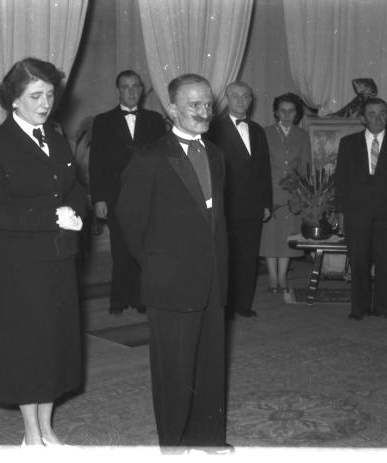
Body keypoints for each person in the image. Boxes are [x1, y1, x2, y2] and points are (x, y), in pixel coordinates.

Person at [0, 58, 87, 446]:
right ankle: (30, 435)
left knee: (53, 344)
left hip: (58, 258)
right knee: (27, 347)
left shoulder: (54, 136)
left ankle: (47, 427)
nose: (45, 103)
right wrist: (49, 216)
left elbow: (72, 187)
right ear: (13, 101)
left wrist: (76, 212)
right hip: (19, 264)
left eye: (50, 94)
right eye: (35, 96)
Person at [116, 74, 230, 451]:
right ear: (172, 110)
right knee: (175, 369)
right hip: (171, 281)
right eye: (193, 105)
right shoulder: (149, 159)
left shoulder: (216, 154)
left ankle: (208, 437)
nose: (203, 112)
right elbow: (130, 223)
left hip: (213, 277)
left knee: (210, 361)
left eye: (207, 104)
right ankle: (175, 444)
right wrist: (158, 266)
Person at [88, 70, 166, 315]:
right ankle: (119, 298)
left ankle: (142, 297)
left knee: (143, 248)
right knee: (120, 248)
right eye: (126, 87)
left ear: (141, 90)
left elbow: (163, 160)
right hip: (114, 195)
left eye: (136, 87)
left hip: (147, 195)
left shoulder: (154, 120)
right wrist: (99, 198)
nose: (131, 92)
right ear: (118, 90)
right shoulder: (103, 121)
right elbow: (96, 162)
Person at [334, 97, 387, 321]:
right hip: (357, 214)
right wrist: (341, 212)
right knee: (359, 262)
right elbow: (341, 180)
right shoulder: (348, 144)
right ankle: (359, 307)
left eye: (382, 113)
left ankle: (384, 307)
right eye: (372, 114)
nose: (377, 118)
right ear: (362, 118)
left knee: (386, 263)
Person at [207, 81, 272, 318]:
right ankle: (225, 307)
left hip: (253, 206)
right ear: (226, 98)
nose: (241, 101)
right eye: (235, 96)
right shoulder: (214, 129)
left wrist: (266, 202)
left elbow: (264, 169)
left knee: (248, 256)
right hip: (226, 206)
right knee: (226, 256)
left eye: (246, 96)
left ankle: (244, 304)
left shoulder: (257, 130)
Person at [260, 93, 311, 301]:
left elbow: (306, 165)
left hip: (293, 191)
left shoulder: (302, 135)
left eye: (291, 111)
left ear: (297, 113)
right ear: (275, 112)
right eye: (283, 110)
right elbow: (260, 165)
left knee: (287, 235)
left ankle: (283, 277)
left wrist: (301, 188)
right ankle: (272, 277)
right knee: (270, 235)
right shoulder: (265, 133)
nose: (287, 114)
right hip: (270, 189)